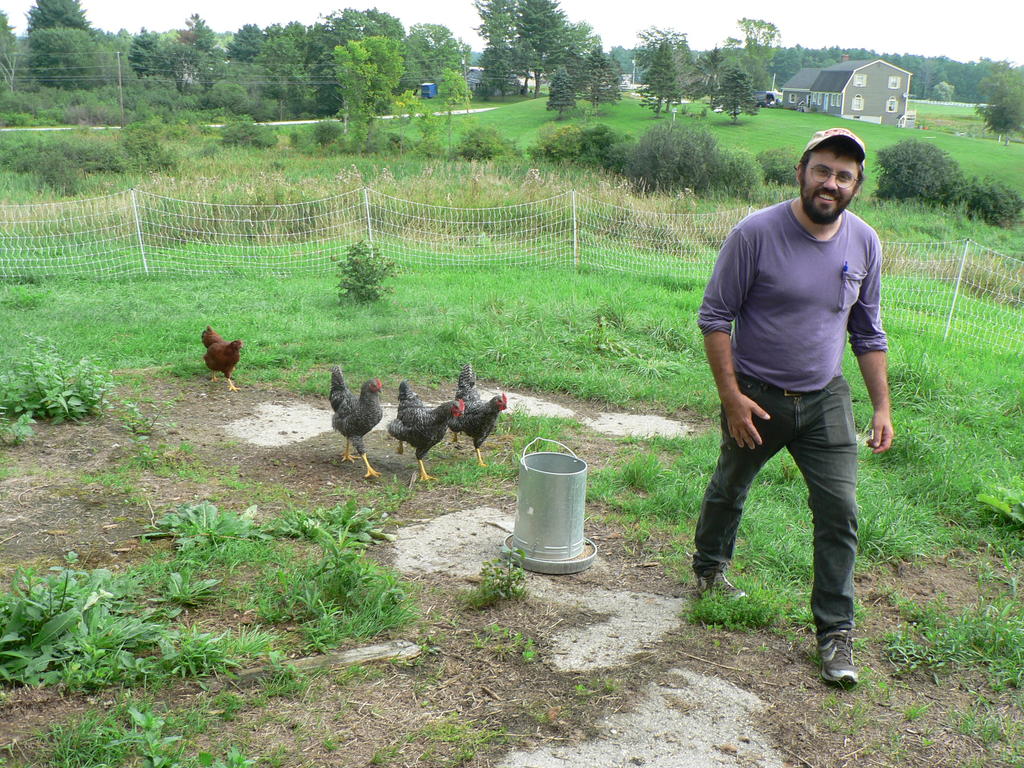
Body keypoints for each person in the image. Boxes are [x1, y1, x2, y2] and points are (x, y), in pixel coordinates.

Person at [693, 127, 894, 685]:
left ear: (857, 186)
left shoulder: (865, 242)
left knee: (840, 512)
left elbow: (868, 332)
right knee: (730, 485)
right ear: (802, 171)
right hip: (756, 396)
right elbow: (715, 317)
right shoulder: (754, 233)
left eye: (844, 176)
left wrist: (881, 407)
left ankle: (835, 633)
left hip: (826, 397)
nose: (832, 183)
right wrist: (732, 397)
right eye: (823, 170)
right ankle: (709, 569)